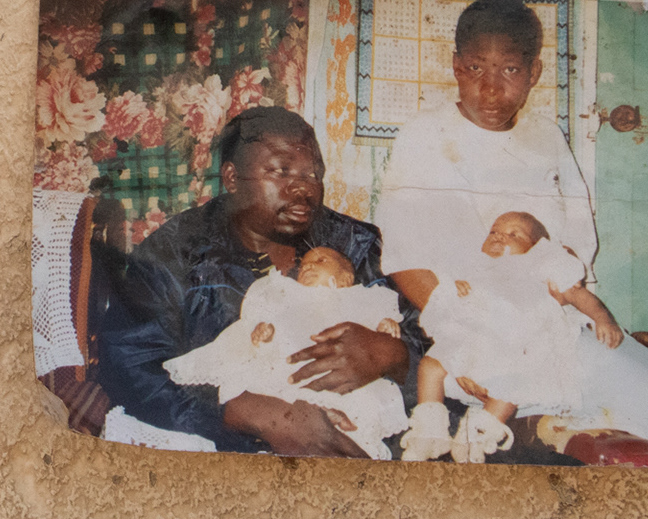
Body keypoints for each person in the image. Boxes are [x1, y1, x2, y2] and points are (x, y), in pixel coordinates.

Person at [377, 0, 648, 468]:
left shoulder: (545, 137)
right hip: (470, 347)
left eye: (510, 70)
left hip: (552, 340)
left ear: (534, 73)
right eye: (475, 68)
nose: (490, 89)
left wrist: (544, 301)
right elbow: (406, 259)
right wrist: (469, 342)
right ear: (455, 66)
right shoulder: (423, 137)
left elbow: (576, 240)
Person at [95, 107, 427, 457]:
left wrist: (393, 356)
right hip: (221, 458)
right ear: (233, 178)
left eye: (313, 174)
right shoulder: (177, 251)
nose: (303, 187)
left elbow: (445, 353)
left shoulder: (357, 247)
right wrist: (247, 414)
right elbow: (126, 366)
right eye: (281, 171)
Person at [400, 211, 625, 463]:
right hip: (472, 336)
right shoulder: (477, 264)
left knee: (511, 385)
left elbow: (576, 294)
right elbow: (445, 285)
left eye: (513, 234)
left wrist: (602, 318)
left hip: (515, 341)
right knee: (430, 366)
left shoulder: (542, 265)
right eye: (494, 232)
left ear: (536, 246)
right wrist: (454, 285)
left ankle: (480, 434)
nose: (499, 237)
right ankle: (430, 433)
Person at [164, 247, 411, 460]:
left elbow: (381, 324)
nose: (309, 266)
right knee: (279, 384)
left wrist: (385, 327)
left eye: (321, 261)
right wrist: (263, 331)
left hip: (348, 378)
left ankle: (357, 443)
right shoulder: (287, 293)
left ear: (346, 279)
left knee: (360, 414)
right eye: (304, 264)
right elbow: (265, 316)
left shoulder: (359, 298)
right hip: (289, 370)